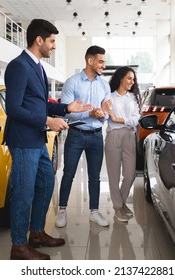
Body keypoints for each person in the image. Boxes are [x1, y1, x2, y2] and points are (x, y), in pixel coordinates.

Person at [4, 19, 91, 260]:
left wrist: (66, 109)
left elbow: (38, 103)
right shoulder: (19, 66)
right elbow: (13, 108)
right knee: (23, 193)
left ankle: (37, 232)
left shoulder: (38, 67)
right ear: (39, 40)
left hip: (36, 139)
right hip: (23, 140)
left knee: (46, 182)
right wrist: (46, 121)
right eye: (52, 41)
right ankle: (19, 246)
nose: (53, 46)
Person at [55, 45, 111, 228]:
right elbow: (67, 113)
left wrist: (103, 115)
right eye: (101, 61)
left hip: (96, 136)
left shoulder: (104, 84)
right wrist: (90, 114)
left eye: (104, 61)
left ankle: (94, 212)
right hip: (76, 135)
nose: (103, 65)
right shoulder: (72, 83)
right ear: (90, 60)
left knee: (95, 177)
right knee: (68, 173)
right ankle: (62, 211)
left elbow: (108, 110)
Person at [103, 66, 141, 222]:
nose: (132, 82)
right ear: (121, 79)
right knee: (114, 175)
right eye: (129, 78)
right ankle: (118, 207)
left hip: (129, 136)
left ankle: (121, 202)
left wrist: (118, 119)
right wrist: (107, 114)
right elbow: (105, 116)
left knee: (130, 175)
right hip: (113, 136)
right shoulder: (109, 97)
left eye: (133, 79)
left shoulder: (134, 98)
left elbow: (135, 119)